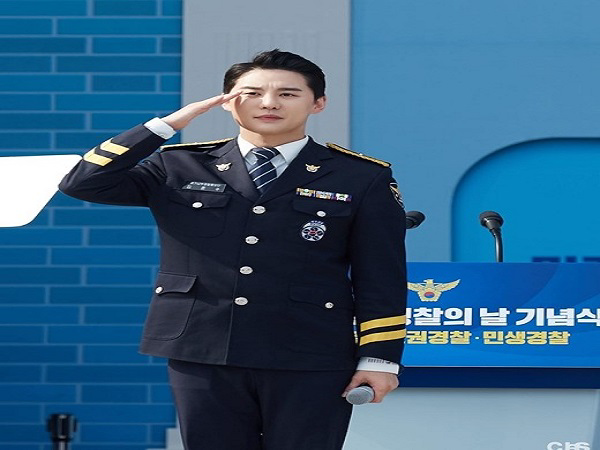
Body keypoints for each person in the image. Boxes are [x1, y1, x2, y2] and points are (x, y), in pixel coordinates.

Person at [59, 49, 407, 450]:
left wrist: (379, 358)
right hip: (202, 347)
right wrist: (166, 125)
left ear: (318, 103)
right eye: (252, 93)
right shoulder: (179, 165)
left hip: (311, 352)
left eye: (288, 94)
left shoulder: (359, 176)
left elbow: (380, 275)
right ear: (227, 101)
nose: (269, 103)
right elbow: (82, 182)